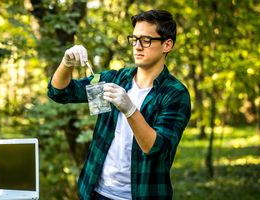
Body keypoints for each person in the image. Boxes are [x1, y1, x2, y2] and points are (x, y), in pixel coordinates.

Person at [48, 9, 191, 199]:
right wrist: (66, 63)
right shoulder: (116, 79)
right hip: (95, 192)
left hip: (142, 194)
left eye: (146, 40)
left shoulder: (174, 94)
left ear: (167, 45)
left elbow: (156, 149)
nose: (138, 46)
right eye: (134, 39)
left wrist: (130, 109)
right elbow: (60, 93)